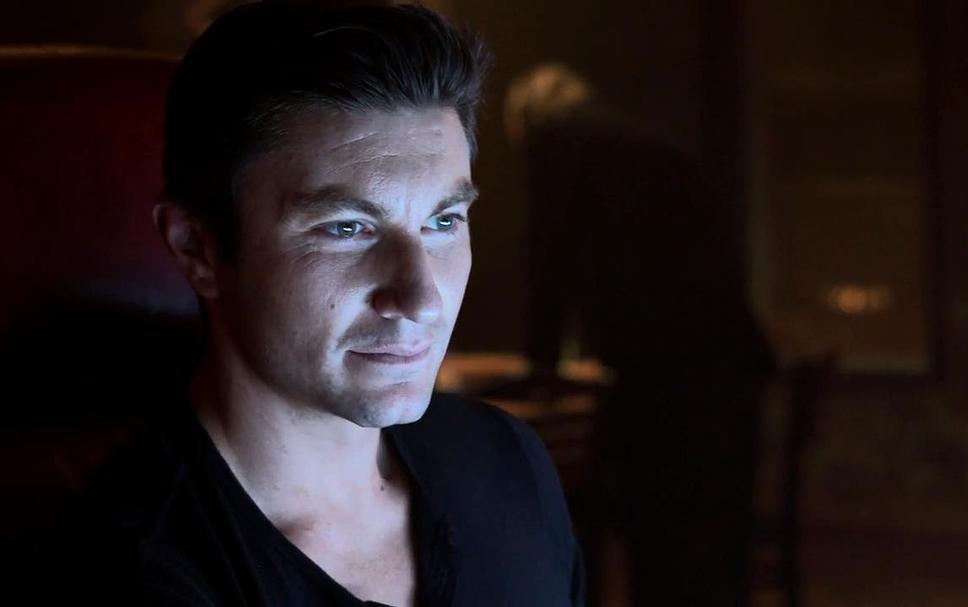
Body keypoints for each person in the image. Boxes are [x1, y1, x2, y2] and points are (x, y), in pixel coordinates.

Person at [32, 3, 583, 605]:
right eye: (347, 228)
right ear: (198, 249)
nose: (423, 298)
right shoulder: (132, 574)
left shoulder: (508, 463)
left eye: (444, 220)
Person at [506, 64, 773, 606]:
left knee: (659, 534)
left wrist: (541, 367)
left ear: (531, 122)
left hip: (666, 369)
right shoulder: (644, 144)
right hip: (725, 361)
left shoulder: (561, 144)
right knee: (712, 544)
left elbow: (550, 260)